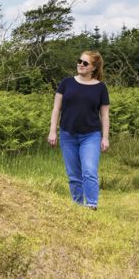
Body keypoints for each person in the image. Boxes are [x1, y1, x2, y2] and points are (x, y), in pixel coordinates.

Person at [48, 51, 110, 210]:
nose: (80, 65)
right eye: (79, 61)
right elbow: (56, 109)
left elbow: (104, 114)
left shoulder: (101, 88)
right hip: (67, 135)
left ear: (94, 68)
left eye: (85, 63)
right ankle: (77, 207)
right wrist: (52, 131)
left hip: (91, 136)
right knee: (74, 175)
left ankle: (91, 205)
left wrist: (105, 137)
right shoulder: (66, 83)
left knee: (89, 171)